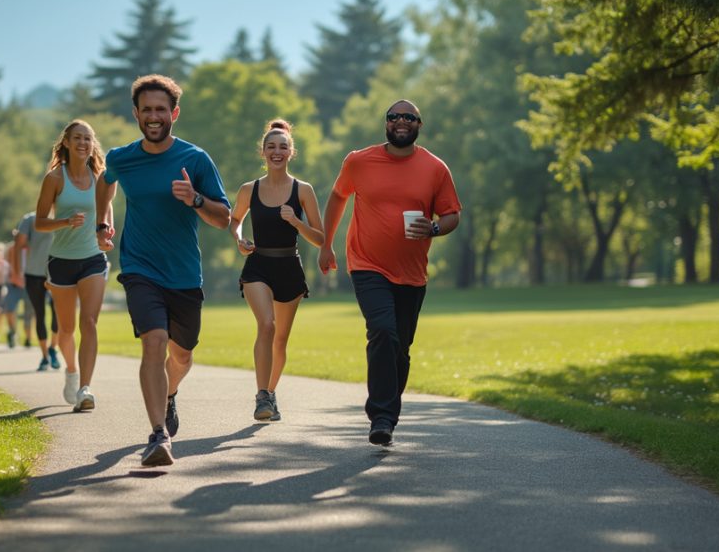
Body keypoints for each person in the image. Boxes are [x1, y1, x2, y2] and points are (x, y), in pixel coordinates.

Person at [96, 74, 230, 467]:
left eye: (160, 109)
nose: (153, 116)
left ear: (174, 113)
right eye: (146, 109)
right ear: (136, 114)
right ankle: (158, 435)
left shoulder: (195, 159)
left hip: (184, 274)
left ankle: (169, 394)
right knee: (153, 340)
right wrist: (103, 220)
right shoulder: (122, 157)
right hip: (140, 267)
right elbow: (106, 184)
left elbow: (223, 219)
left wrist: (196, 198)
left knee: (182, 355)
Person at [318, 99, 461, 446]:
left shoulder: (435, 168)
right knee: (382, 330)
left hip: (412, 273)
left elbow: (452, 214)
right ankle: (381, 417)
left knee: (400, 347)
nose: (400, 121)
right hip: (367, 264)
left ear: (418, 124)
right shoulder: (359, 161)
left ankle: (387, 408)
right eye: (393, 116)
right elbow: (338, 197)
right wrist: (326, 243)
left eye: (408, 117)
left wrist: (434, 230)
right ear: (385, 124)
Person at [227, 119, 325, 422]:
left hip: (289, 268)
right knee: (266, 326)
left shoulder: (303, 190)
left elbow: (321, 239)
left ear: (291, 152)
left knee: (280, 339)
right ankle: (261, 397)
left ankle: (270, 393)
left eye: (283, 146)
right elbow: (235, 220)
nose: (277, 151)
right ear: (263, 152)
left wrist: (296, 222)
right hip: (258, 265)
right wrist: (239, 239)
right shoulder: (249, 189)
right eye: (271, 147)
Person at [36, 119, 109, 412]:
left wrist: (105, 232)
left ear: (93, 145)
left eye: (88, 139)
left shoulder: (99, 176)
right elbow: (40, 222)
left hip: (92, 258)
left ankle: (85, 388)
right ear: (66, 142)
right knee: (66, 329)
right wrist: (65, 222)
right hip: (61, 261)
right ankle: (70, 370)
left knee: (88, 322)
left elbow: (106, 210)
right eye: (77, 138)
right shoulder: (55, 178)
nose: (83, 143)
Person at [14, 211, 60, 371]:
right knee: (39, 314)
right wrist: (17, 271)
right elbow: (18, 245)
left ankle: (53, 348)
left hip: (57, 274)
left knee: (58, 313)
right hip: (33, 274)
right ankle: (45, 356)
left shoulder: (63, 216)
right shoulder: (29, 219)